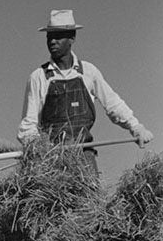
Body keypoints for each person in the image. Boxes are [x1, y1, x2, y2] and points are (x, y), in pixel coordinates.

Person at [18, 9, 154, 167]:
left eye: (58, 36)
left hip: (84, 158)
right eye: (49, 37)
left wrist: (136, 127)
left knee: (91, 189)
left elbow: (113, 104)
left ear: (72, 38)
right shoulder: (38, 77)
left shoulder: (89, 72)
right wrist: (38, 150)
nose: (52, 41)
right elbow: (29, 124)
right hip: (51, 159)